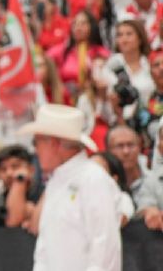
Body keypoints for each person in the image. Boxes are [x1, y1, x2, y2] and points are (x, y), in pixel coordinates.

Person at [17, 104, 121, 271]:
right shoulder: (55, 181)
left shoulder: (93, 179)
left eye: (36, 142)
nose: (34, 150)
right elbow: (44, 248)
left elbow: (105, 247)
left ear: (54, 143)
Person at [105, 125, 163, 230]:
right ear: (108, 150)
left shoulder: (155, 179)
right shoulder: (102, 182)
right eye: (119, 146)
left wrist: (149, 211)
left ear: (140, 147)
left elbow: (148, 206)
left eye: (130, 145)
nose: (126, 151)